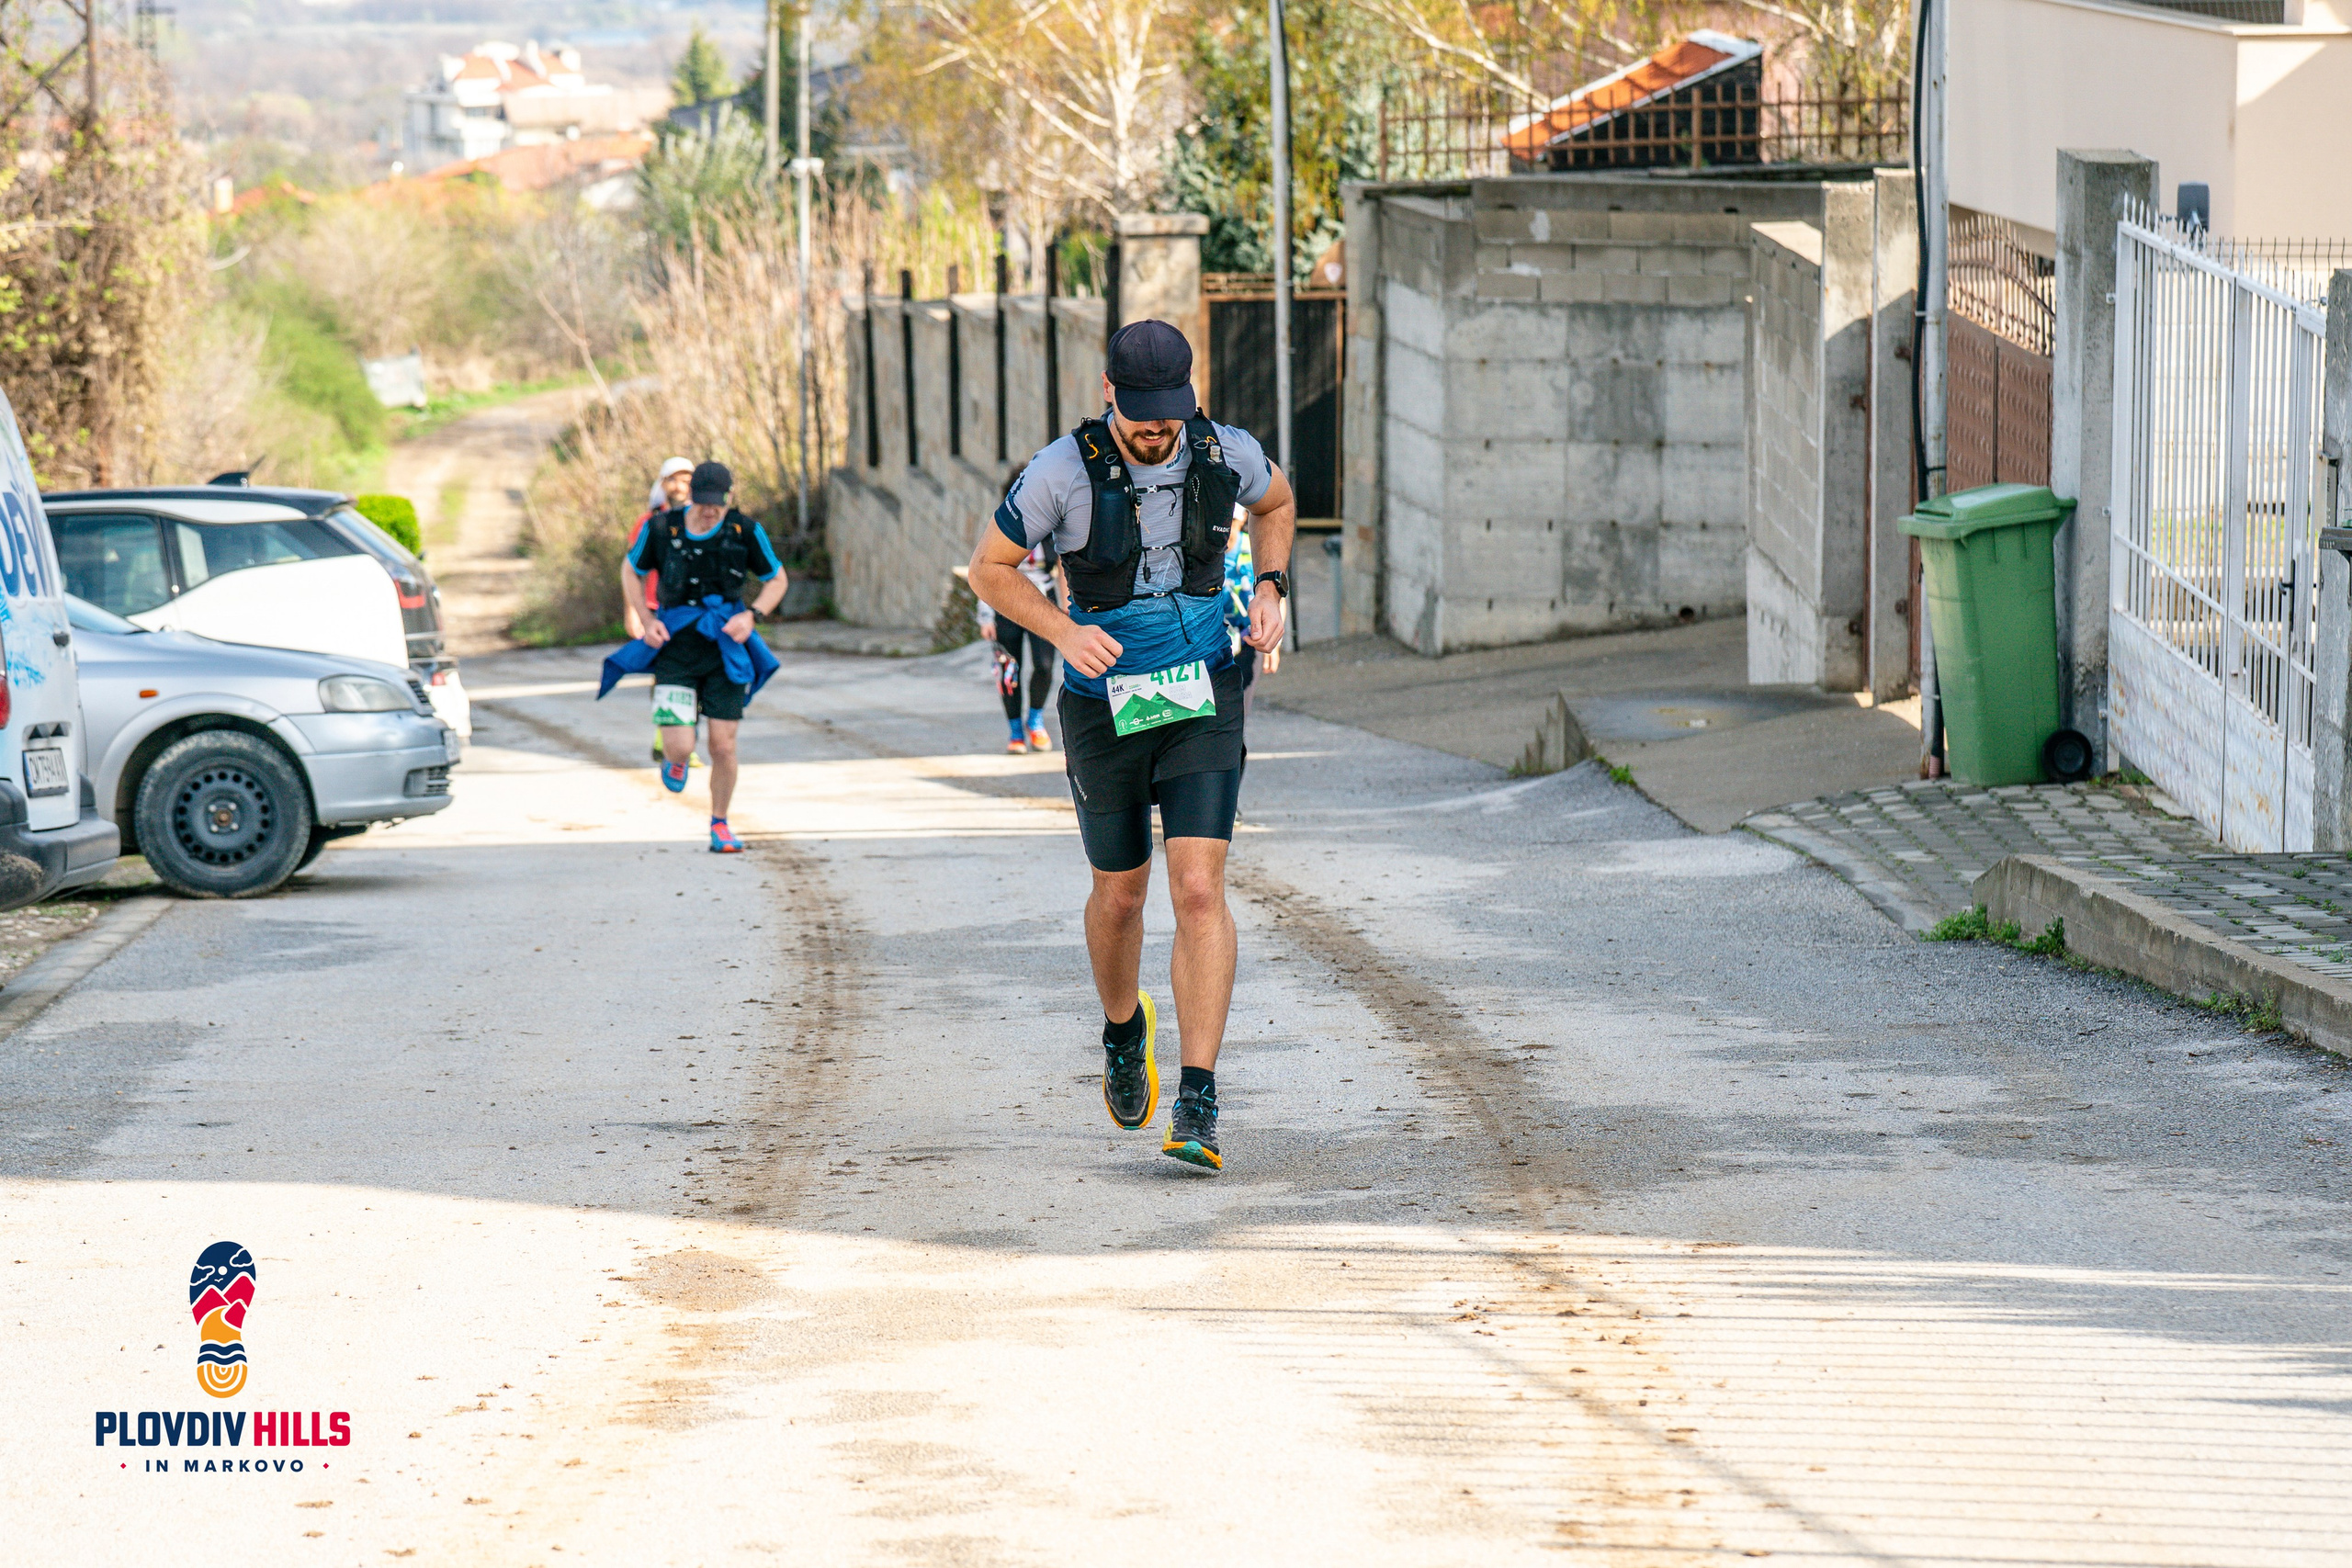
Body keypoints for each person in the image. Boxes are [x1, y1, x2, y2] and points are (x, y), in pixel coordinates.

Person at [967, 319, 1294, 1174]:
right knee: (1120, 897)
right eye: (1144, 416)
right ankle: (1122, 1027)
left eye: (1170, 416)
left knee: (1196, 887)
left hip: (1202, 692)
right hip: (1101, 703)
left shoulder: (1224, 450)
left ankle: (1199, 1094)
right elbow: (989, 570)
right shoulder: (1060, 472)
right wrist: (1063, 631)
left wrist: (1270, 587)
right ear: (1109, 391)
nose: (1159, 433)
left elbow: (1278, 505)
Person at [611, 461, 788, 854]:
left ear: (728, 498)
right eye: (703, 503)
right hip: (675, 648)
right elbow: (630, 570)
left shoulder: (745, 530)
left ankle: (720, 823)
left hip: (726, 648)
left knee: (723, 746)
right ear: (692, 497)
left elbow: (777, 578)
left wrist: (752, 614)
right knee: (679, 745)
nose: (710, 511)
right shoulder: (662, 529)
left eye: (717, 504)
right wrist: (645, 617)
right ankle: (674, 759)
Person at [977, 528, 1062, 753]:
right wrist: (986, 616)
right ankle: (1015, 731)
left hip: (1043, 604)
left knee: (1044, 665)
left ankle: (1035, 720)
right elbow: (984, 570)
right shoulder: (1003, 527)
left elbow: (1064, 567)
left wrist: (1068, 608)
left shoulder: (1053, 531)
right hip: (1004, 604)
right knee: (1009, 671)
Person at [633, 457, 695, 761]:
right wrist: (634, 612)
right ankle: (666, 737)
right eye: (674, 480)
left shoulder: (701, 520)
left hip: (691, 611)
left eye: (687, 480)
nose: (680, 487)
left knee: (695, 673)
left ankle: (683, 741)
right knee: (664, 675)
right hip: (656, 609)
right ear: (662, 484)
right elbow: (632, 570)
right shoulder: (648, 523)